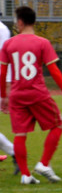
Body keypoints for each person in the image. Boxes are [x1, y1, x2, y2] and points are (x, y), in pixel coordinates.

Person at [0, 6, 62, 184]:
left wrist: (3, 96)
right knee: (57, 125)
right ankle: (44, 164)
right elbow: (54, 70)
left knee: (20, 134)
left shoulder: (8, 44)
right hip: (37, 92)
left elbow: (2, 73)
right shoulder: (42, 43)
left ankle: (26, 175)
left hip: (17, 94)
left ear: (20, 21)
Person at [0, 18, 21, 175]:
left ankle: (16, 153)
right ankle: (15, 153)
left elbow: (4, 60)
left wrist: (6, 86)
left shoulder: (1, 30)